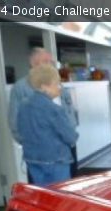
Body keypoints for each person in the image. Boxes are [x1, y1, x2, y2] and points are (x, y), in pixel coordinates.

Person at [9, 48, 78, 179]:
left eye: (51, 62)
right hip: (51, 154)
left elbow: (69, 110)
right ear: (33, 63)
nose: (50, 65)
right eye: (46, 61)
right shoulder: (21, 88)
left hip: (59, 149)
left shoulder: (57, 85)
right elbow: (15, 123)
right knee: (60, 193)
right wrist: (34, 142)